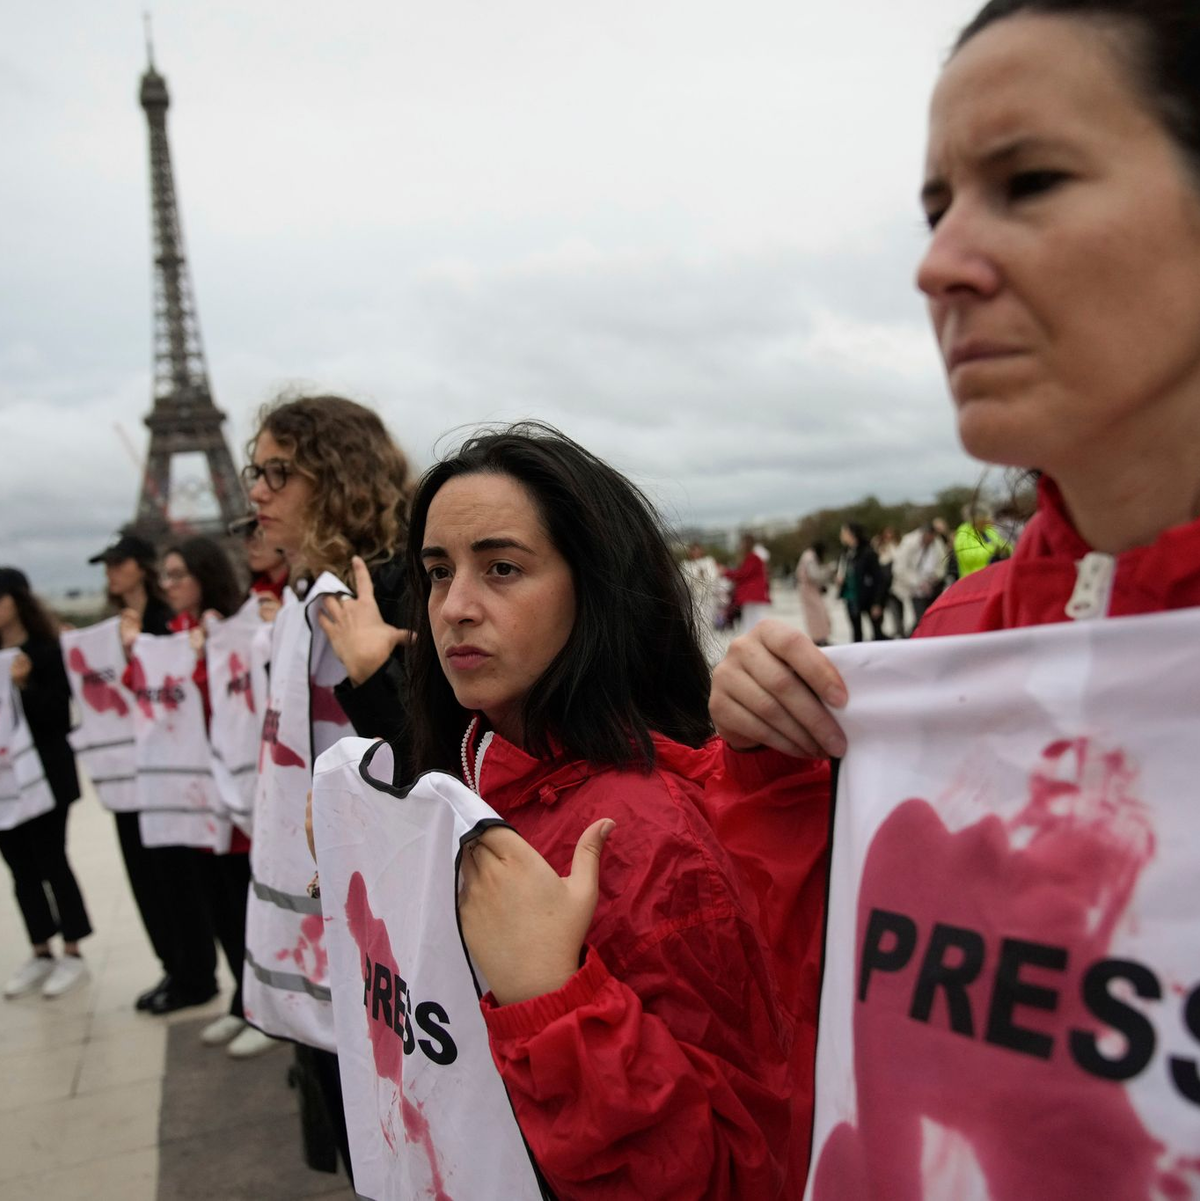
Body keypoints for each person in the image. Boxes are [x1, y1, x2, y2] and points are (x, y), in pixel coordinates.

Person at [706, 0, 1200, 1189]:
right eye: (936, 208)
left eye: (1026, 180)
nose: (936, 263)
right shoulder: (954, 640)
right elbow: (814, 1049)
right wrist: (777, 777)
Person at [404, 424, 800, 1199]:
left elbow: (726, 1172)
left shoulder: (644, 831)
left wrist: (556, 1005)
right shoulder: (475, 777)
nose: (454, 607)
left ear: (595, 587)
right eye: (438, 570)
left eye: (502, 568)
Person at [242, 393, 415, 1180]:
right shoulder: (302, 599)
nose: (257, 490)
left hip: (395, 917)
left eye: (278, 470)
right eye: (256, 470)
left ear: (336, 474)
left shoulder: (393, 590)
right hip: (328, 900)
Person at [157, 536, 275, 1057]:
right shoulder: (177, 632)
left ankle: (265, 1007)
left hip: (238, 787)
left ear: (205, 575)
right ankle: (240, 999)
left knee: (246, 899)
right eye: (165, 575)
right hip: (201, 790)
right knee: (220, 903)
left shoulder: (240, 626)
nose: (169, 585)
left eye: (178, 574)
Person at [88, 532, 181, 1010]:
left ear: (140, 566)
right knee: (144, 878)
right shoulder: (112, 629)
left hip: (166, 764)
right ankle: (173, 966)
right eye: (106, 564)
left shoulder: (166, 622)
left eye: (117, 562)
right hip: (130, 766)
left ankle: (190, 972)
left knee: (171, 876)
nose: (110, 572)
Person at [0, 568, 93, 1000]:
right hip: (6, 780)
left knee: (51, 858)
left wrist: (25, 685)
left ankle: (72, 950)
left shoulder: (46, 650)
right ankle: (41, 950)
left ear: (17, 600)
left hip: (47, 774)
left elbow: (59, 713)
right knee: (20, 867)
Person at [836, 522, 885, 641]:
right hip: (852, 597)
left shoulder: (868, 553)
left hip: (868, 597)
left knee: (877, 632)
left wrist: (877, 602)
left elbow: (879, 579)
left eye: (844, 533)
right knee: (856, 632)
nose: (841, 536)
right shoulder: (846, 554)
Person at [724, 532, 772, 631]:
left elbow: (742, 574)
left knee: (752, 622)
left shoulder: (753, 557)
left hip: (752, 594)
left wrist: (725, 572)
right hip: (754, 595)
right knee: (754, 620)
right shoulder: (755, 557)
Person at [952, 503, 1012, 577]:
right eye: (985, 519)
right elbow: (968, 556)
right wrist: (994, 550)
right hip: (974, 579)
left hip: (994, 574)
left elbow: (1005, 545)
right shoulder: (963, 533)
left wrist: (1006, 549)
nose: (988, 521)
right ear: (976, 520)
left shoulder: (989, 531)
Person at [795, 541, 831, 646]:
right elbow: (814, 575)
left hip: (810, 590)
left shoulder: (808, 556)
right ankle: (819, 639)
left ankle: (821, 637)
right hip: (809, 590)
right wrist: (827, 571)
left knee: (818, 614)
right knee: (817, 615)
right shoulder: (809, 557)